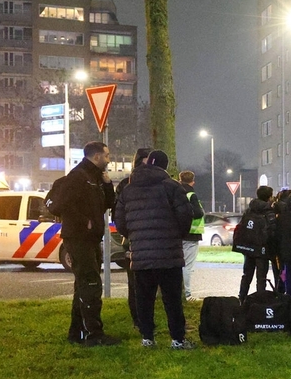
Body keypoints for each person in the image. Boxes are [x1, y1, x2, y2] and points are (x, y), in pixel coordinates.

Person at [114, 150, 195, 349]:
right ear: (165, 166)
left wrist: (136, 236)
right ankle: (177, 339)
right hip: (168, 253)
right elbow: (186, 217)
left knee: (144, 298)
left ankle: (147, 338)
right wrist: (177, 234)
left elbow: (120, 222)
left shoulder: (129, 189)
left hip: (140, 254)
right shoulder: (172, 187)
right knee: (172, 299)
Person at [50, 140, 120, 347]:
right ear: (96, 156)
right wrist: (84, 221)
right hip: (79, 237)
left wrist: (107, 185)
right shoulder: (78, 177)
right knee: (90, 284)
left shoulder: (95, 178)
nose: (108, 160)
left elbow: (108, 204)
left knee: (84, 284)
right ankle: (93, 334)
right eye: (106, 156)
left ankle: (77, 332)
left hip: (90, 238)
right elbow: (61, 206)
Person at [116, 146, 152, 330]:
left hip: (146, 240)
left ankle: (145, 321)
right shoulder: (127, 184)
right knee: (136, 285)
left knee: (147, 285)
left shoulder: (127, 184)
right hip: (135, 242)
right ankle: (139, 321)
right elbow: (119, 216)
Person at [238, 185, 278, 302]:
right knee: (261, 277)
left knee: (247, 274)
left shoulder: (249, 209)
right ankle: (260, 300)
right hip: (262, 247)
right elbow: (272, 230)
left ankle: (242, 297)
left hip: (249, 246)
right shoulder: (268, 211)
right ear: (269, 197)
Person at [178, 170, 205, 299]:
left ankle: (179, 293)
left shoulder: (176, 192)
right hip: (191, 234)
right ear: (192, 181)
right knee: (187, 266)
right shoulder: (191, 194)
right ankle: (187, 295)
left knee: (178, 265)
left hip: (179, 234)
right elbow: (198, 213)